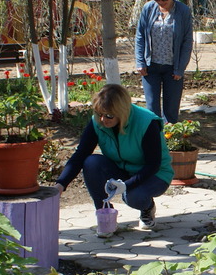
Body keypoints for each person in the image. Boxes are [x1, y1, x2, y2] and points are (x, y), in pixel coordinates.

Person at [55, 85, 173, 229]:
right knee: (91, 162)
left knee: (132, 196)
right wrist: (61, 184)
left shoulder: (147, 122)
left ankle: (147, 208)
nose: (103, 120)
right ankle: (105, 216)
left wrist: (126, 185)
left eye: (109, 115)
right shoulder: (97, 122)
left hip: (154, 174)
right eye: (100, 114)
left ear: (122, 112)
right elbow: (81, 154)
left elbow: (153, 164)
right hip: (122, 169)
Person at [134, 0, 193, 123]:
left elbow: (187, 42)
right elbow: (140, 36)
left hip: (173, 69)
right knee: (152, 108)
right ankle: (154, 139)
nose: (160, 1)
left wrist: (180, 68)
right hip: (150, 67)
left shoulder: (183, 11)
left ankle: (170, 140)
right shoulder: (148, 9)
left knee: (171, 110)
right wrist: (140, 62)